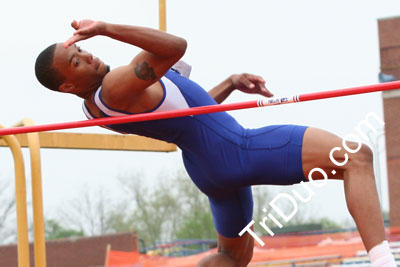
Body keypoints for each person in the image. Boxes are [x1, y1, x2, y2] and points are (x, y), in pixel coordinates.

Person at [34, 20, 396, 267]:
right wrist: (105, 28)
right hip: (236, 149)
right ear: (67, 84)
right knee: (356, 157)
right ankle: (383, 261)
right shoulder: (113, 86)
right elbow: (174, 47)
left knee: (232, 259)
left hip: (208, 169)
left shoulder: (93, 108)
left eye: (82, 50)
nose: (89, 55)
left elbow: (190, 114)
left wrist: (230, 83)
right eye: (76, 61)